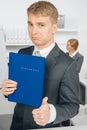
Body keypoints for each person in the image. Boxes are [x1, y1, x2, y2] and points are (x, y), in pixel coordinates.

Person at [1, 1, 80, 130]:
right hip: (17, 125)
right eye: (30, 24)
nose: (34, 31)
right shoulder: (23, 53)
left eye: (41, 25)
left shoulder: (68, 64)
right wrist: (7, 90)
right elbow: (17, 89)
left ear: (54, 28)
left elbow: (73, 106)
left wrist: (51, 113)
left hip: (46, 127)